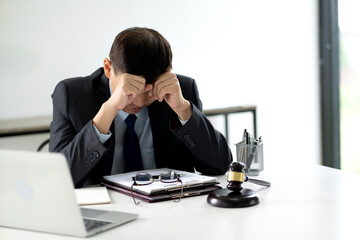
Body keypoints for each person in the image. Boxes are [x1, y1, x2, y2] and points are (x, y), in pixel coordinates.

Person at [50, 27, 232, 188]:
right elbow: (58, 179)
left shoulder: (180, 90)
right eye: (129, 90)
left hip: (172, 210)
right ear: (108, 68)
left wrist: (183, 109)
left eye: (148, 93)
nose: (137, 102)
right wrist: (110, 109)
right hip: (106, 211)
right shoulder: (72, 95)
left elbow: (219, 165)